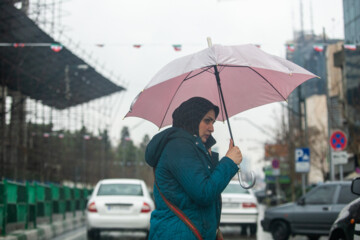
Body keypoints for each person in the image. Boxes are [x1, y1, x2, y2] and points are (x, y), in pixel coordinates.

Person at [145, 97, 243, 240]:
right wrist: (229, 162)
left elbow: (199, 199)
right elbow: (204, 193)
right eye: (207, 121)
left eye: (213, 122)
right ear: (192, 119)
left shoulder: (192, 149)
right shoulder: (178, 147)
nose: (212, 128)